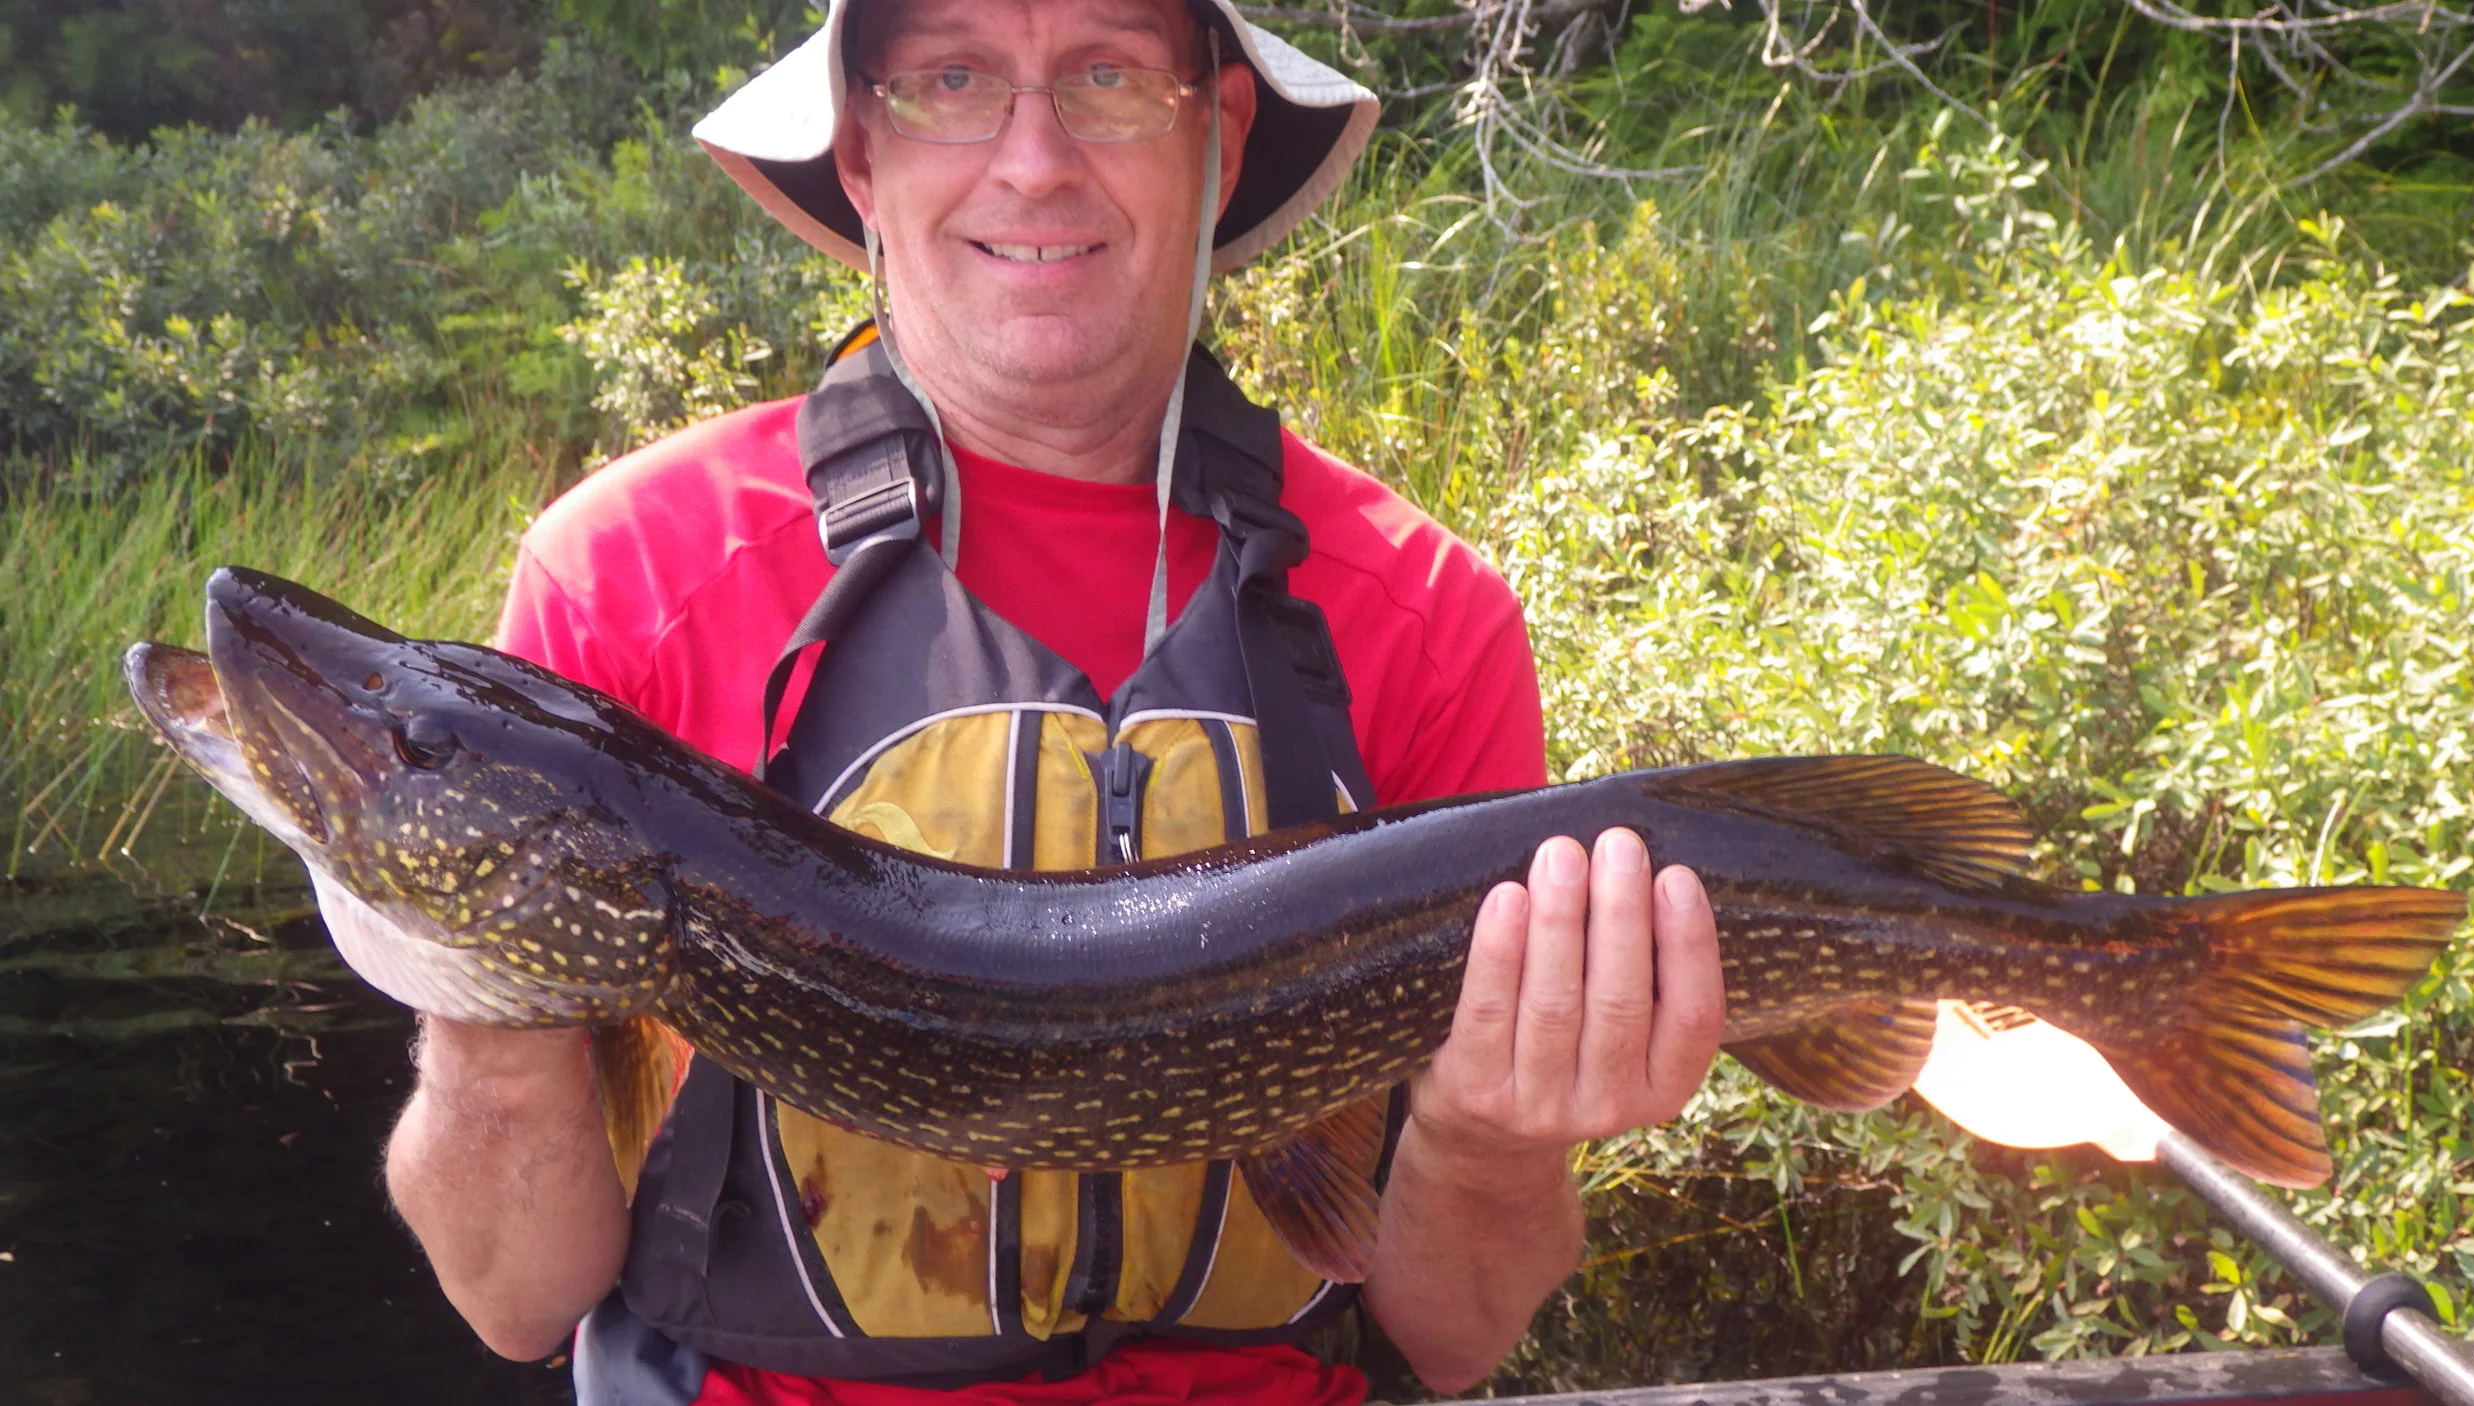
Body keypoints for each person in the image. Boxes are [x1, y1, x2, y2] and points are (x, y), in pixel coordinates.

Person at [373, 0, 1728, 1399]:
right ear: (858, 154)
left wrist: (1494, 1137)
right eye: (951, 77)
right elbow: (512, 1297)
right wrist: (484, 986)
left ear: (1221, 133)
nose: (1034, 161)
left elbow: (1453, 1335)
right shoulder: (624, 578)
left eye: (1113, 74)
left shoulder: (1426, 619)